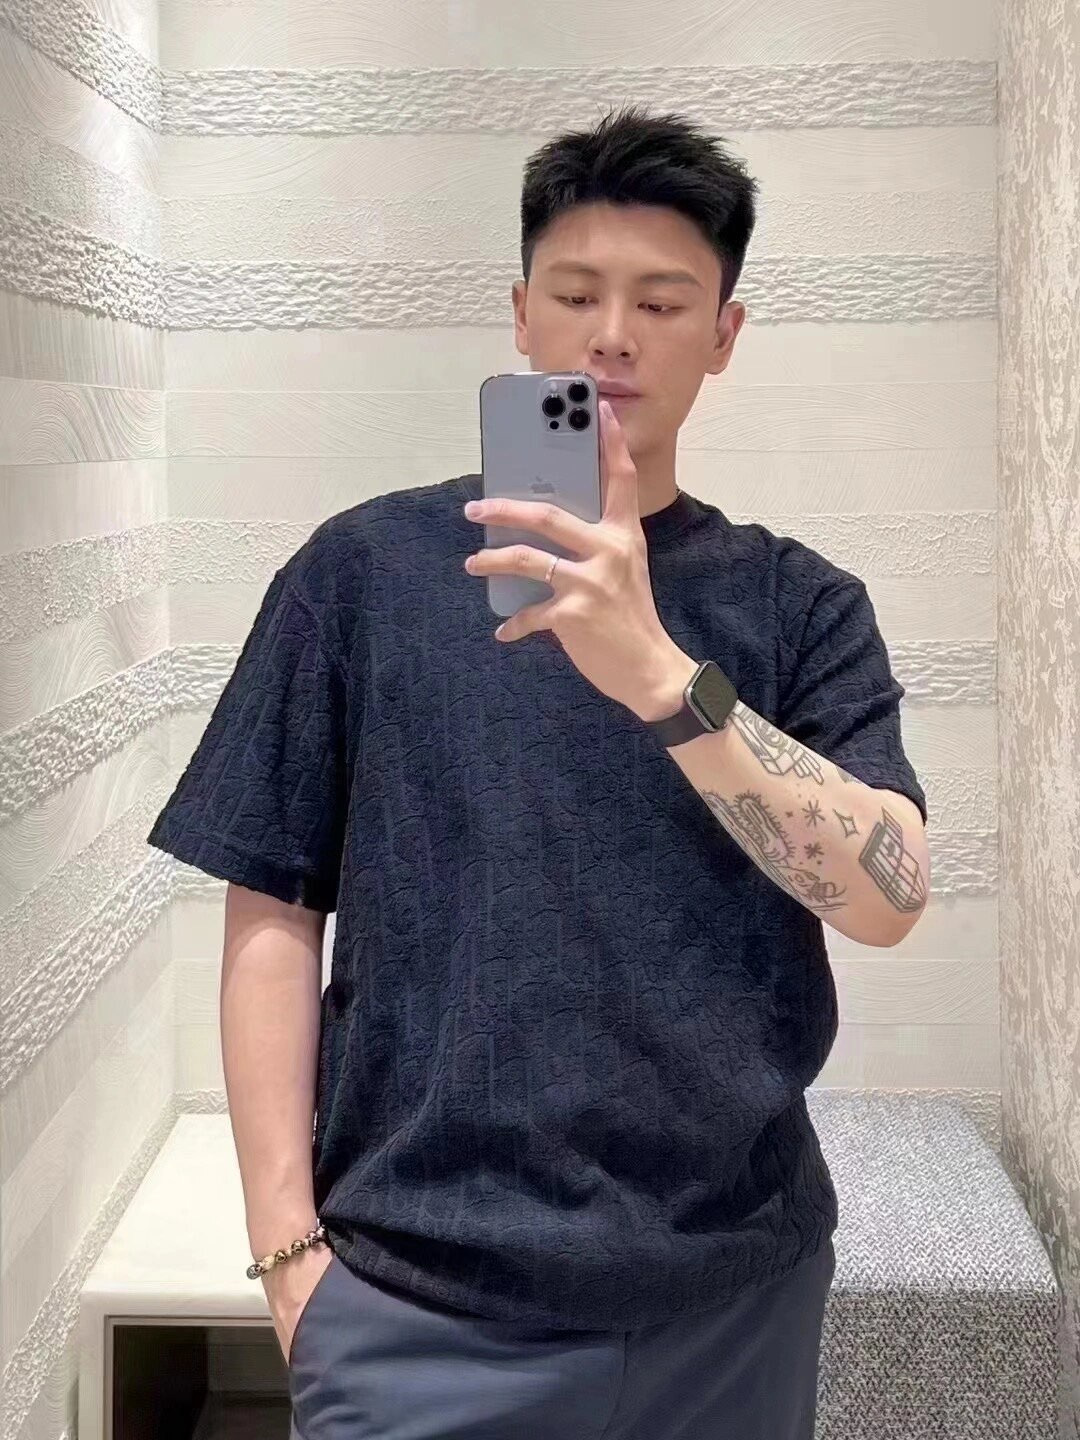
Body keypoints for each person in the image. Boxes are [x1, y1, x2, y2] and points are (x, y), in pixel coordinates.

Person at [147, 102, 929, 1440]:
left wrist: (661, 676)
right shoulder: (362, 575)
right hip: (414, 1304)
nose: (613, 333)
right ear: (521, 316)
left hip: (734, 1297)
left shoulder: (799, 604)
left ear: (725, 334)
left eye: (663, 302)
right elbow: (272, 908)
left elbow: (889, 893)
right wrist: (286, 1256)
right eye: (575, 293)